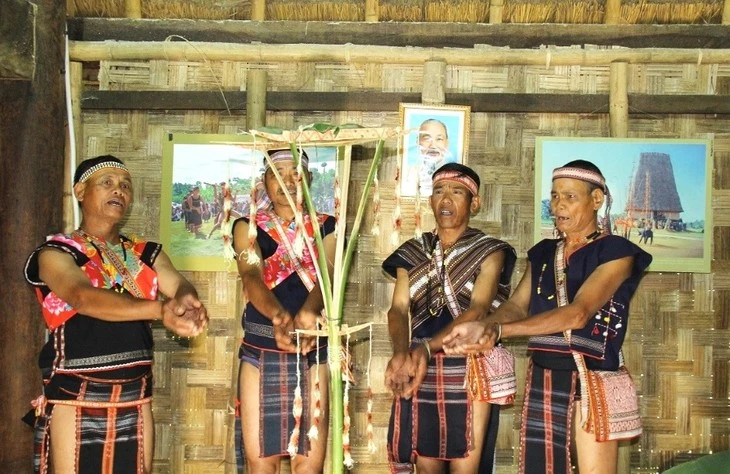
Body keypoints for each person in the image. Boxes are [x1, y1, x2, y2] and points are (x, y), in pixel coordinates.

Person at [443, 159, 652, 474]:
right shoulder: (543, 253)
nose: (559, 205)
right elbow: (516, 305)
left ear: (596, 200)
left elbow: (577, 314)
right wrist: (482, 327)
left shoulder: (616, 252)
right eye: (555, 196)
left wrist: (499, 332)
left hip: (590, 377)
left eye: (570, 196)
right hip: (544, 373)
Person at [24, 155, 208, 474]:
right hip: (75, 392)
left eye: (125, 186)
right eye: (106, 183)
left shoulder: (145, 252)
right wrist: (159, 309)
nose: (118, 191)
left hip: (135, 392)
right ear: (81, 191)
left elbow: (178, 284)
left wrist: (187, 302)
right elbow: (83, 297)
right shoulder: (56, 252)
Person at [383, 163, 517, 473]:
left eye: (457, 192)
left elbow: (478, 310)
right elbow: (399, 309)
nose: (446, 200)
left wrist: (426, 348)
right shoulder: (412, 251)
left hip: (467, 362)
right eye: (439, 192)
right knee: (427, 465)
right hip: (419, 365)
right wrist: (402, 353)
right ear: (431, 201)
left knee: (465, 464)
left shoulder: (489, 250)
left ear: (475, 203)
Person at [231, 148, 335, 473]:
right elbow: (251, 275)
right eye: (278, 174)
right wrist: (279, 316)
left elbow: (329, 272)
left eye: (296, 174)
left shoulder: (328, 227)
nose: (288, 182)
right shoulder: (246, 227)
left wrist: (310, 309)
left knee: (309, 464)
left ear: (309, 181)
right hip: (262, 351)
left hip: (312, 351)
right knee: (260, 462)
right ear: (264, 182)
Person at [415, 119, 455, 196]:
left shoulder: (455, 175)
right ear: (418, 141)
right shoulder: (408, 173)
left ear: (447, 143)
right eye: (427, 139)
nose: (433, 146)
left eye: (439, 139)